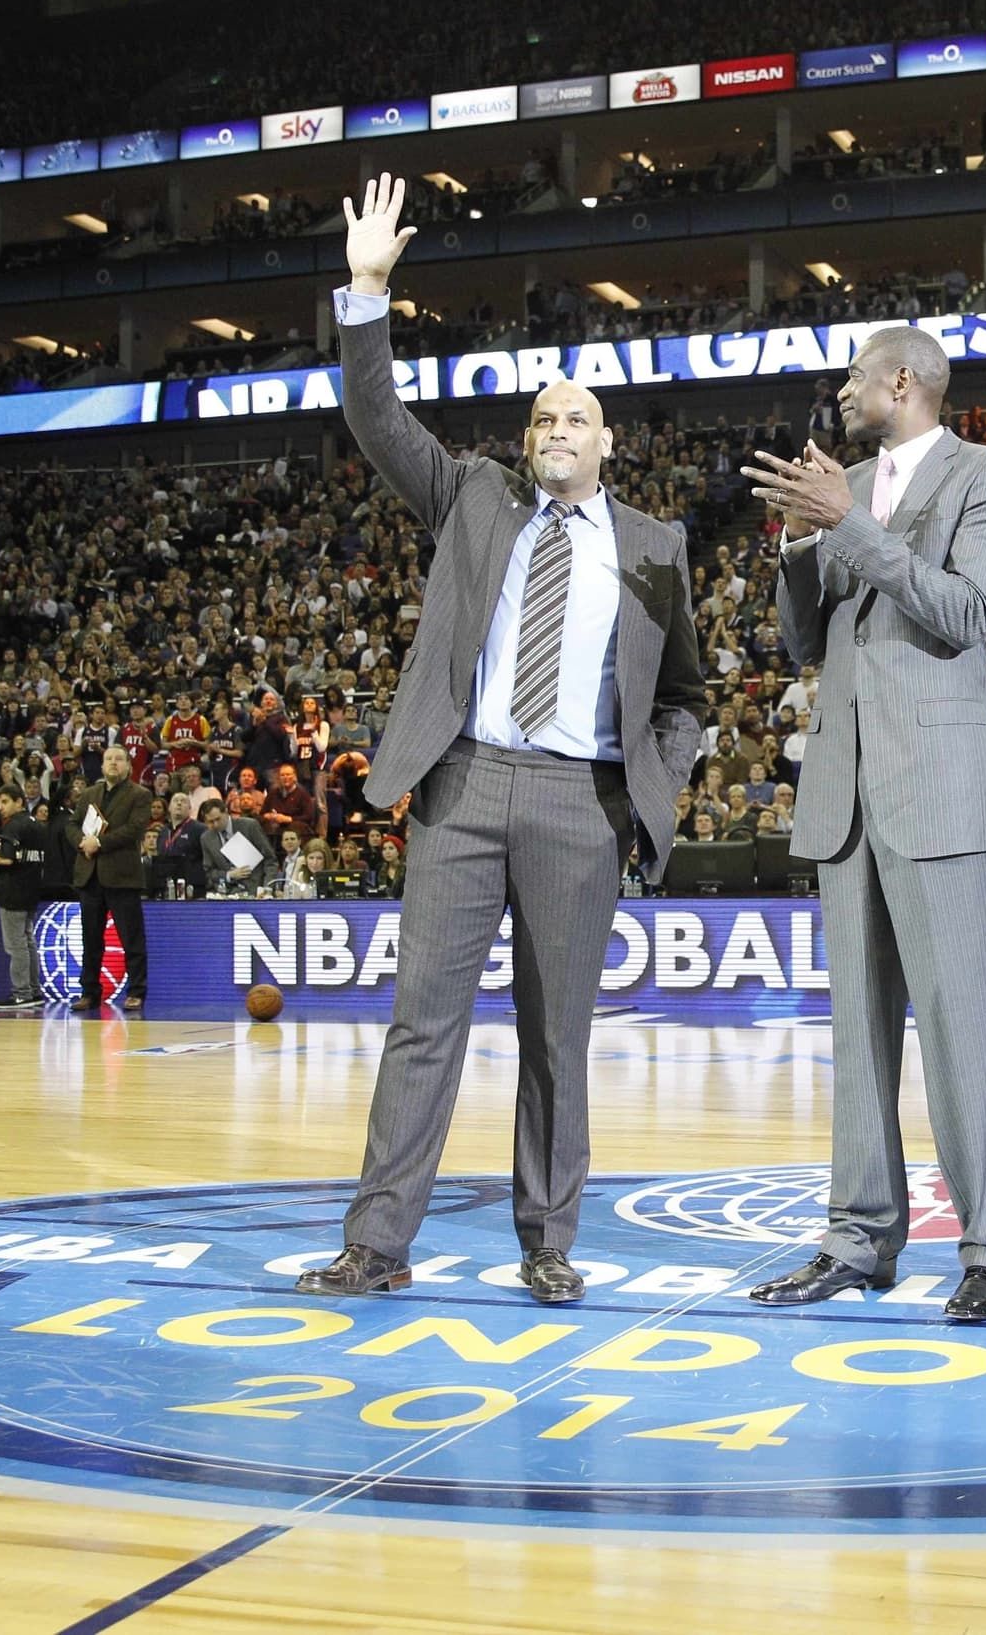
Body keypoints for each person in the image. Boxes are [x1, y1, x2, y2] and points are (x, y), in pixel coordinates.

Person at [299, 175, 707, 1305]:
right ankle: (377, 1244)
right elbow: (377, 420)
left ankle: (549, 1241)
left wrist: (640, 789)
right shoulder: (473, 498)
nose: (554, 431)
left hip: (579, 803)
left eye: (574, 417)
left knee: (555, 1041)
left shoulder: (655, 546)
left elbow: (687, 694)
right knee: (420, 1026)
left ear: (608, 442)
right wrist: (369, 290)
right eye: (540, 418)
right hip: (465, 787)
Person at [742, 322, 986, 1323]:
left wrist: (847, 523)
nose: (846, 388)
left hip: (942, 787)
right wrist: (797, 544)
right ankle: (858, 1238)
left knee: (962, 1031)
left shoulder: (985, 474)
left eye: (858, 373)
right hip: (846, 790)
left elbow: (962, 613)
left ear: (903, 381)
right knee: (856, 1037)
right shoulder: (845, 485)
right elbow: (800, 642)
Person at [71, 745, 154, 1011]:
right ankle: (90, 991)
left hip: (122, 875)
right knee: (90, 939)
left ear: (129, 766)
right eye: (108, 759)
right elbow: (71, 825)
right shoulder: (89, 794)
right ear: (102, 765)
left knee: (131, 938)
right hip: (89, 873)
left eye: (119, 759)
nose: (113, 763)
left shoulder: (140, 794)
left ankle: (137, 991)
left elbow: (134, 830)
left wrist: (100, 843)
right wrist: (83, 842)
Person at [0, 785, 47, 1010]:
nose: (0, 808)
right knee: (27, 941)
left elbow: (7, 858)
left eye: (5, 802)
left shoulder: (14, 825)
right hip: (31, 889)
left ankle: (22, 993)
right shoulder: (36, 825)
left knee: (16, 945)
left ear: (19, 802)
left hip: (13, 891)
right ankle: (33, 990)